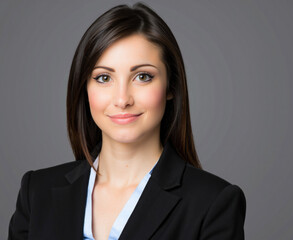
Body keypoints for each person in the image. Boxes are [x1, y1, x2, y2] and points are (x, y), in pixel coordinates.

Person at [8, 2, 246, 240]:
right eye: (103, 78)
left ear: (170, 86)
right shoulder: (37, 193)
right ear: (84, 88)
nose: (122, 99)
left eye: (143, 77)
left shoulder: (213, 203)